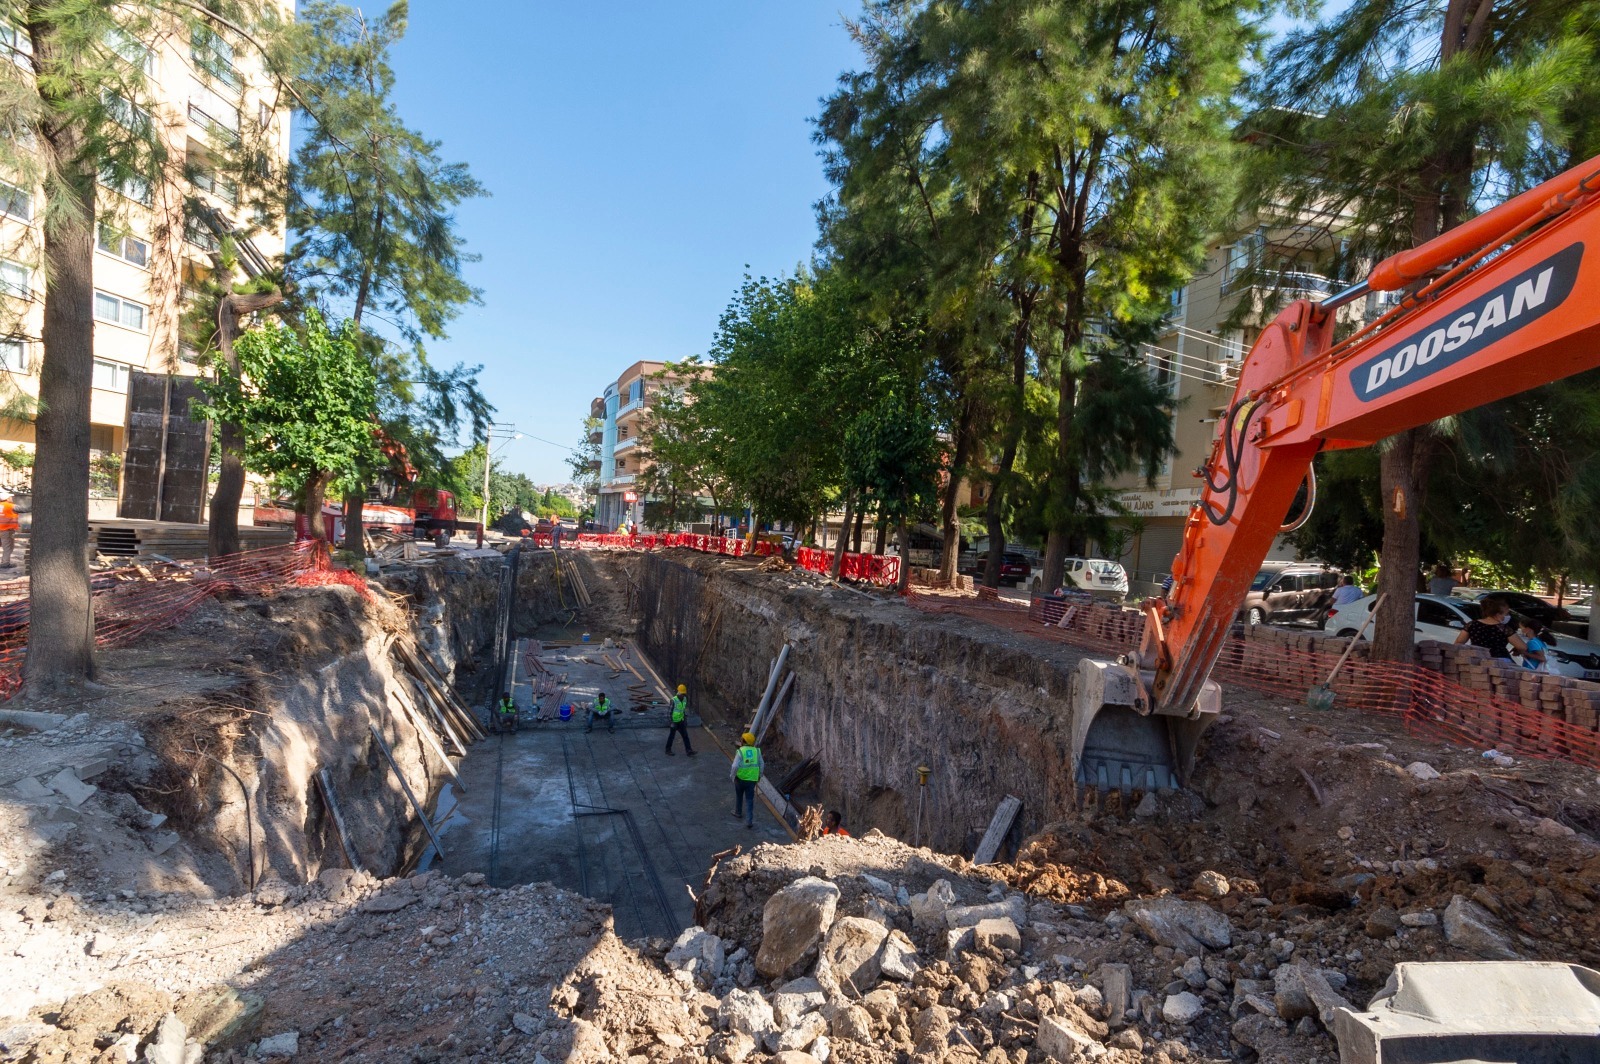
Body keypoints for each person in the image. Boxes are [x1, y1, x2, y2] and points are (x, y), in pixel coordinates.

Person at [1454, 595, 1526, 660]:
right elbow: (1522, 647)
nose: (1508, 616)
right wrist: (1517, 651)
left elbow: (1459, 642)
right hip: (1500, 661)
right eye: (1506, 614)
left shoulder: (1472, 624)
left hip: (1477, 659)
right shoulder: (1504, 629)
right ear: (1498, 614)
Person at [730, 731, 763, 828]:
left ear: (743, 741)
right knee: (749, 799)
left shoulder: (740, 751)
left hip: (740, 779)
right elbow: (762, 765)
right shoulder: (757, 751)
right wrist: (759, 776)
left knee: (739, 796)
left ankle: (738, 812)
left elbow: (735, 766)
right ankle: (749, 820)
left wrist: (732, 776)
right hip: (752, 780)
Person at [665, 683, 696, 756]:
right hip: (674, 722)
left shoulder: (684, 699)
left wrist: (685, 719)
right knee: (671, 736)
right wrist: (671, 722)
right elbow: (669, 712)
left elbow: (683, 710)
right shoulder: (673, 700)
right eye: (682, 694)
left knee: (685, 736)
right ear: (678, 692)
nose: (683, 695)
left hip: (681, 721)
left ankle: (689, 750)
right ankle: (668, 750)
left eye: (683, 694)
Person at [0, 491, 17, 569]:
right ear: (7, 498)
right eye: (10, 497)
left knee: (8, 546)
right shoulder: (10, 506)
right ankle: (5, 563)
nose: (12, 498)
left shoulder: (1, 505)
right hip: (7, 530)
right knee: (8, 547)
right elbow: (25, 509)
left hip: (2, 529)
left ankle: (5, 561)